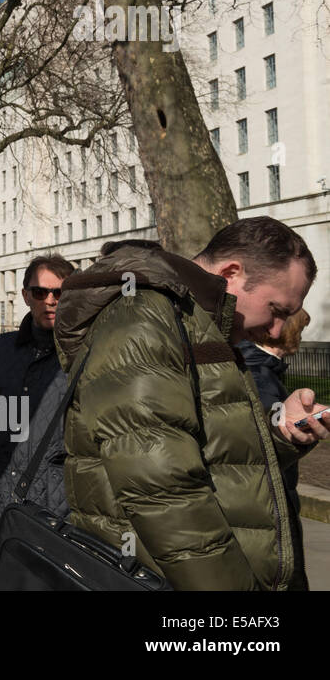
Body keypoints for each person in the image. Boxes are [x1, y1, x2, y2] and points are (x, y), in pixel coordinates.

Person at [55, 217, 327, 590]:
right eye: (277, 310)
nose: (277, 330)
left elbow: (212, 454)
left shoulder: (197, 321)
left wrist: (281, 433)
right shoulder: (146, 313)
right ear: (231, 272)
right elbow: (161, 488)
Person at [0, 253, 75, 569]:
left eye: (60, 292)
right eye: (41, 292)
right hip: (2, 513)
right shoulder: (1, 349)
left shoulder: (82, 354)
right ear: (27, 295)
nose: (50, 301)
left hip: (60, 521)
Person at [238, 307, 312, 590]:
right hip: (270, 504)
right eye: (301, 330)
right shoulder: (259, 376)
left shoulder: (260, 369)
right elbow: (262, 448)